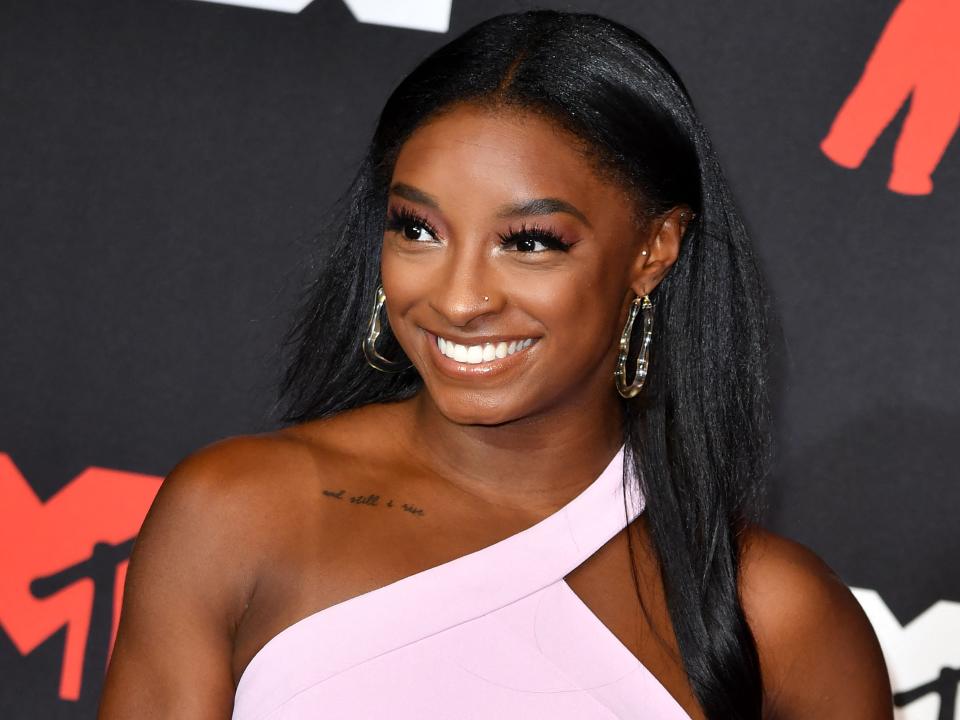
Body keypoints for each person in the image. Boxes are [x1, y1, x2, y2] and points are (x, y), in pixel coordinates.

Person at [97, 10, 893, 720]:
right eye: (419, 231)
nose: (460, 297)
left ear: (653, 251)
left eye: (530, 243)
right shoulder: (237, 512)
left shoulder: (776, 615)